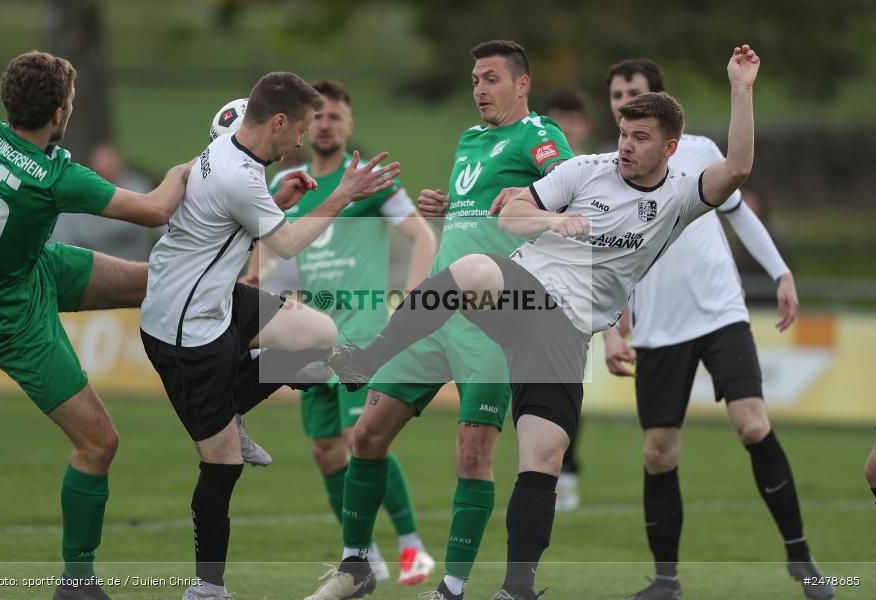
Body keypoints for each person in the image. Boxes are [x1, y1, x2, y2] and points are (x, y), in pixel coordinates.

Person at [304, 44, 760, 600]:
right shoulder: (585, 169)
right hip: (524, 297)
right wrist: (553, 219)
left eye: (640, 139)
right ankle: (366, 361)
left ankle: (516, 588)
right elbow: (515, 209)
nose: (625, 147)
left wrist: (741, 88)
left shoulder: (680, 197)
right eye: (622, 133)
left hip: (566, 335)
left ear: (670, 148)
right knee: (472, 268)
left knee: (543, 456)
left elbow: (737, 167)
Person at [303, 40, 573, 600]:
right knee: (367, 433)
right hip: (434, 314)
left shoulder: (541, 137)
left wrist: (533, 211)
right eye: (476, 78)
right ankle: (355, 566)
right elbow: (486, 214)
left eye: (492, 78)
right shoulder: (470, 140)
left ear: (522, 84)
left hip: (493, 322)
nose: (480, 89)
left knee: (472, 455)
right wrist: (451, 206)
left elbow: (569, 207)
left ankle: (449, 587)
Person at [138, 71, 399, 600]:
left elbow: (233, 214)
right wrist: (342, 195)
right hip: (187, 331)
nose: (302, 141)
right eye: (299, 129)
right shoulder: (239, 175)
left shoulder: (232, 151)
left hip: (212, 298)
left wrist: (276, 197)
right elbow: (288, 245)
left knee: (318, 330)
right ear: (278, 122)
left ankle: (284, 388)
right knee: (224, 463)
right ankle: (206, 587)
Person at [598, 58, 831, 600]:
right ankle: (667, 582)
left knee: (752, 424)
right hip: (657, 330)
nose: (621, 100)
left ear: (660, 101)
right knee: (658, 453)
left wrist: (780, 272)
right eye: (615, 93)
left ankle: (803, 560)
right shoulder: (603, 175)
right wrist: (612, 330)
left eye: (633, 91)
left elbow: (740, 209)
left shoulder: (699, 151)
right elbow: (601, 261)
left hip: (720, 314)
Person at [0, 51, 192, 600]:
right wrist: (197, 166)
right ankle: (77, 584)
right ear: (58, 114)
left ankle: (251, 325)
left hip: (32, 266)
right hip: (10, 316)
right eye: (69, 102)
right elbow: (155, 209)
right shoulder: (54, 176)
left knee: (154, 282)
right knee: (98, 443)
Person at [239, 79, 439, 585]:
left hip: (365, 332)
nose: (325, 124)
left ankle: (413, 546)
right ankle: (365, 554)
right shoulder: (294, 181)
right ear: (306, 125)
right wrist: (250, 281)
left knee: (361, 438)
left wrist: (412, 305)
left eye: (335, 116)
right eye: (319, 116)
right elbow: (270, 245)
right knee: (325, 448)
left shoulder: (367, 181)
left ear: (349, 126)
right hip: (311, 335)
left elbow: (421, 236)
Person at [543, 88, 592, 511]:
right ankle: (546, 469)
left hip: (581, 298)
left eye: (571, 121)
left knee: (569, 387)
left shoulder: (601, 174)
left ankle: (568, 473)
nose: (565, 129)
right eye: (557, 121)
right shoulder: (539, 177)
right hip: (536, 294)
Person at [50, 143, 165, 261]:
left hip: (137, 264)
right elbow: (62, 238)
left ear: (120, 166)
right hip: (95, 270)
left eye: (109, 165)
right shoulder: (81, 195)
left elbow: (153, 221)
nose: (105, 172)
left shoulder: (137, 186)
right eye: (99, 169)